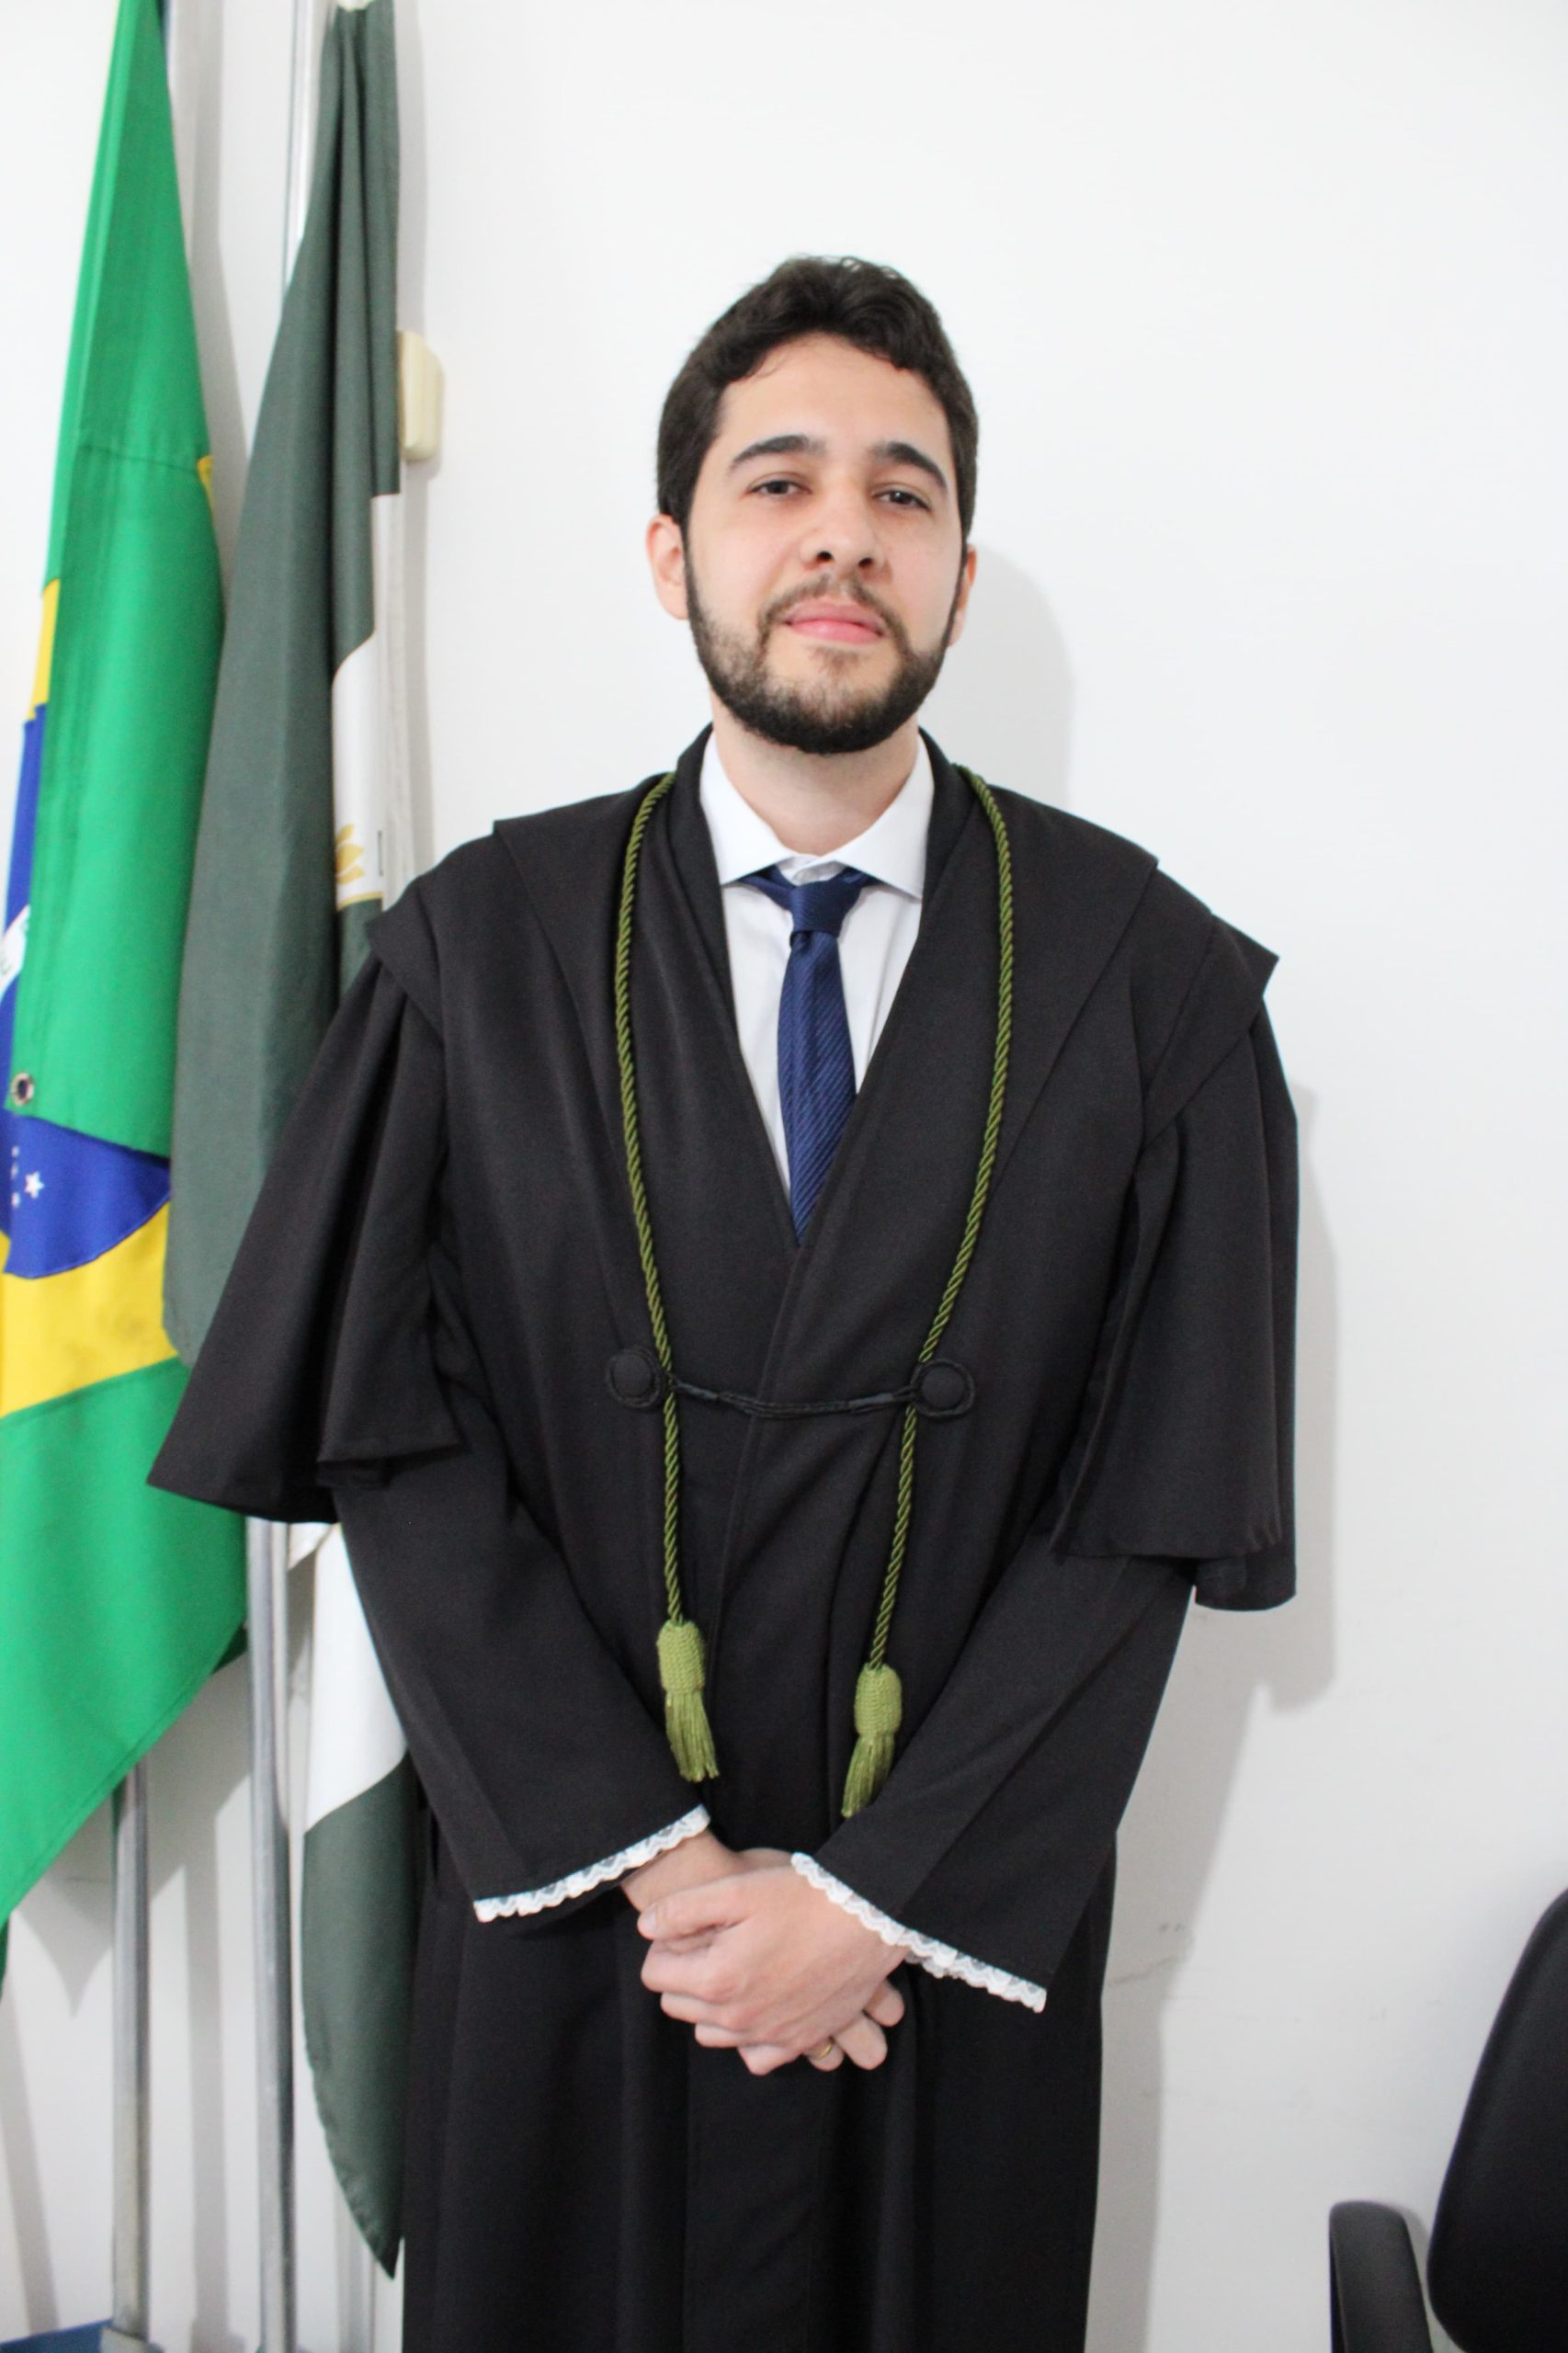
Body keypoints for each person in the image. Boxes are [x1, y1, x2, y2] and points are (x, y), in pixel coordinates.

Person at [151, 255, 1297, 2353]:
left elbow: (1146, 1506)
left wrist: (864, 1904)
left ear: (957, 576)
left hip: (940, 1956)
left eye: (903, 493)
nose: (844, 533)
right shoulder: (477, 955)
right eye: (780, 482)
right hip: (587, 1928)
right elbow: (392, 1445)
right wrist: (669, 1872)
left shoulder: (1151, 987)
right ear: (674, 553)